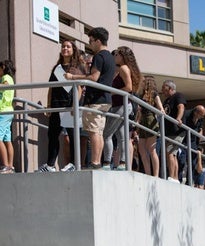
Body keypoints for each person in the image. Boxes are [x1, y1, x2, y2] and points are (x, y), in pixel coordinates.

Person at [65, 27, 115, 169]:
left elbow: (94, 77)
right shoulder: (110, 57)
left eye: (91, 41)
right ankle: (96, 162)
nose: (90, 43)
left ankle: (95, 162)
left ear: (98, 41)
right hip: (104, 99)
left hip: (96, 100)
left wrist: (73, 77)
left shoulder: (99, 56)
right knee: (98, 132)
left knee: (94, 132)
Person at [38, 40, 86, 172]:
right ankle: (50, 165)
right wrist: (48, 105)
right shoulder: (56, 68)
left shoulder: (78, 67)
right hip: (56, 106)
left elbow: (80, 89)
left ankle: (73, 164)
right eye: (63, 46)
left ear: (73, 50)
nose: (65, 48)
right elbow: (51, 88)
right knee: (53, 135)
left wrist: (74, 105)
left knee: (72, 136)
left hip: (69, 107)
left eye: (68, 46)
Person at [102, 46, 141, 171]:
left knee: (107, 134)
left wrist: (111, 92)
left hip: (120, 106)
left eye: (117, 54)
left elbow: (128, 88)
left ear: (122, 56)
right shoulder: (123, 68)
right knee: (122, 137)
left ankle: (107, 163)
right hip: (123, 106)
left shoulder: (124, 68)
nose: (115, 56)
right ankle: (122, 163)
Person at [136, 75, 164, 176]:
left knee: (152, 149)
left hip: (151, 119)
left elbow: (161, 108)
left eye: (143, 82)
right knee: (141, 149)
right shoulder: (141, 94)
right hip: (143, 120)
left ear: (147, 83)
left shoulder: (154, 94)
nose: (142, 83)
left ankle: (155, 175)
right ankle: (148, 173)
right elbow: (139, 111)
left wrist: (159, 112)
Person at [161, 80, 186, 182]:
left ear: (170, 88)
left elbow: (181, 107)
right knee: (172, 153)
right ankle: (174, 177)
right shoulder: (166, 101)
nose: (162, 90)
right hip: (169, 131)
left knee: (170, 153)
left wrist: (178, 118)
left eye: (164, 88)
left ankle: (172, 177)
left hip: (176, 131)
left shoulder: (178, 95)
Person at [183, 105, 205, 187]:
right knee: (182, 159)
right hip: (184, 139)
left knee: (192, 162)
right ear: (196, 112)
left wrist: (200, 135)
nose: (202, 117)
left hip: (193, 141)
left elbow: (200, 129)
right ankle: (179, 178)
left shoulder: (200, 118)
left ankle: (189, 181)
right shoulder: (187, 114)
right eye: (201, 115)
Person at [0, 60, 16, 173]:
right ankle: (10, 166)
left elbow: (5, 85)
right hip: (8, 110)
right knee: (7, 139)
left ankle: (6, 165)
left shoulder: (6, 77)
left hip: (3, 111)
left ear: (3, 67)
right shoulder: (10, 78)